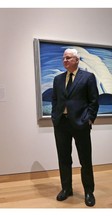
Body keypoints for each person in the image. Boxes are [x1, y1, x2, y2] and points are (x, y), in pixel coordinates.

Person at [51, 48, 99, 207]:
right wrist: (54, 117)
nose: (65, 60)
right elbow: (55, 100)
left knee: (85, 159)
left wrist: (89, 119)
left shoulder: (88, 77)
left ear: (77, 60)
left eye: (69, 58)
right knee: (64, 159)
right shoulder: (57, 79)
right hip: (61, 124)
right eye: (64, 58)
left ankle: (89, 192)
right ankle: (66, 189)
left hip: (81, 124)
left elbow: (94, 101)